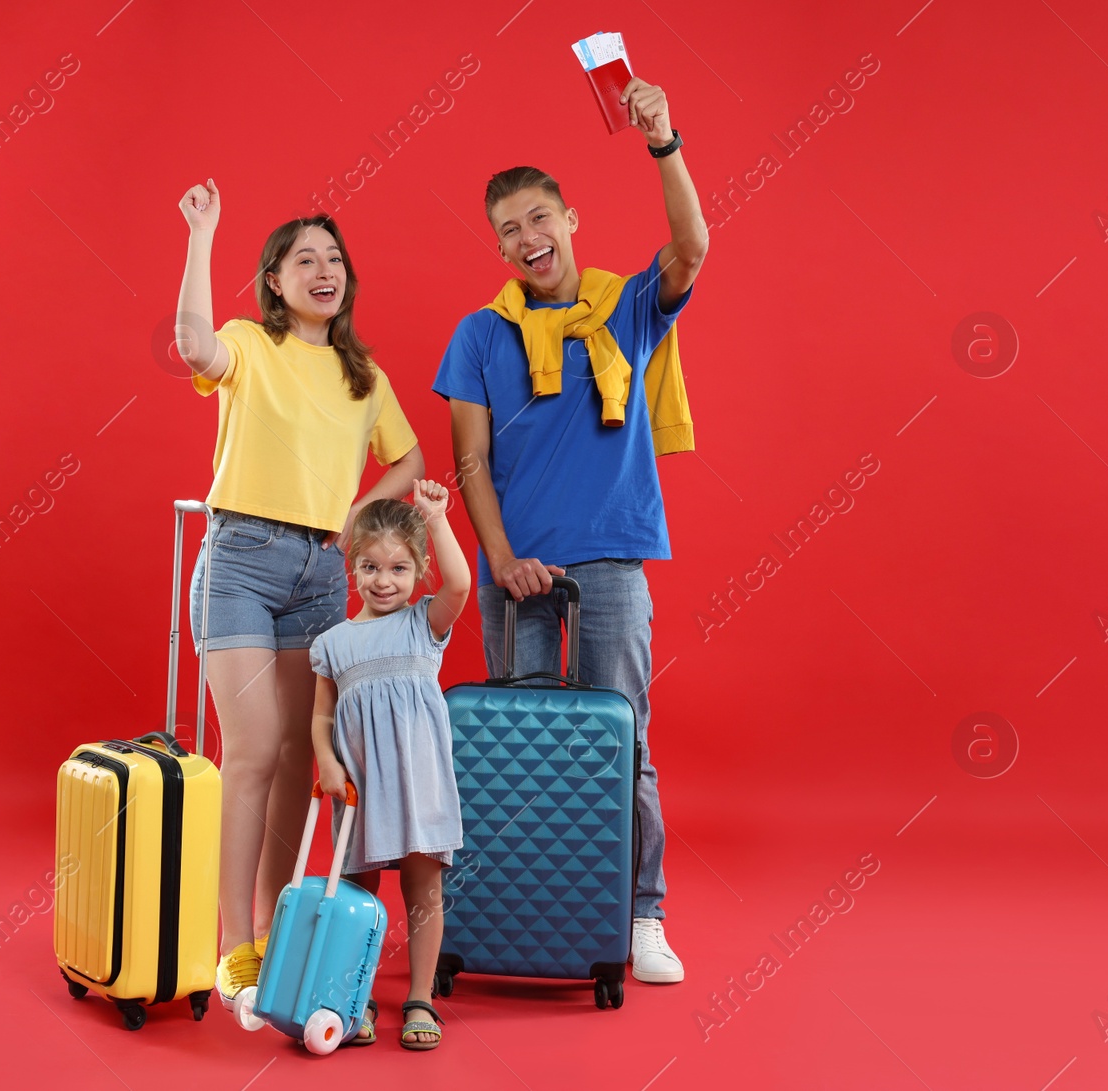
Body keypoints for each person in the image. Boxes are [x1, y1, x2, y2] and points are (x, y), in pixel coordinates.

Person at [430, 79, 709, 984]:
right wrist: (501, 557)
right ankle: (514, 906)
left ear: (569, 217)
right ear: (498, 243)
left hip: (611, 563)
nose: (527, 239)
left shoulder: (625, 307)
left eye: (538, 217)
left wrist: (662, 142)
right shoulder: (479, 334)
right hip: (514, 573)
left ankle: (641, 914)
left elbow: (692, 248)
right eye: (508, 228)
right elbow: (469, 460)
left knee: (623, 742)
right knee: (513, 756)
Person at [172, 178, 427, 1010]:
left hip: (320, 570)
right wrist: (203, 233)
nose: (325, 269)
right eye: (302, 259)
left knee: (295, 758)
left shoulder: (365, 376)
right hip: (241, 557)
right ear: (274, 282)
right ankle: (232, 944)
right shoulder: (248, 342)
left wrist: (352, 520)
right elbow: (192, 345)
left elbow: (409, 459)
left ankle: (275, 925)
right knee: (249, 749)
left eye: (334, 258)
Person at [310, 481, 471, 1050]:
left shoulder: (425, 624)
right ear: (352, 567)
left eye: (400, 569)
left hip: (419, 783)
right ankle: (358, 997)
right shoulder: (333, 643)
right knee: (358, 894)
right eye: (372, 567)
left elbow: (462, 583)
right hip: (361, 789)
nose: (385, 581)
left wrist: (435, 517)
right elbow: (320, 717)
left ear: (418, 570)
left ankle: (421, 998)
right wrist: (327, 761)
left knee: (424, 892)